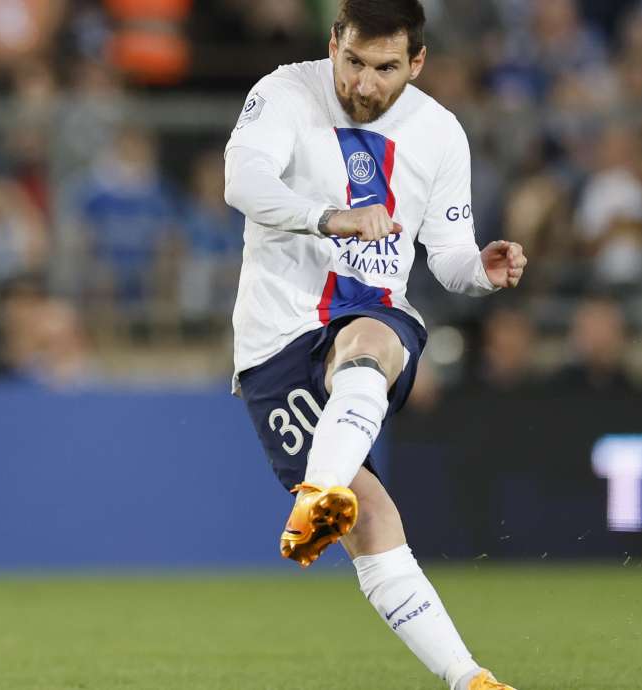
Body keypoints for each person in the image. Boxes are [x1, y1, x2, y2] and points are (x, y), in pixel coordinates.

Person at [223, 2, 527, 689]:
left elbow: (446, 255)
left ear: (416, 63)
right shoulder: (283, 92)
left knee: (372, 337)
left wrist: (479, 270)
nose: (363, 83)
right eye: (353, 61)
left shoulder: (439, 133)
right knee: (375, 519)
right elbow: (241, 182)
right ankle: (462, 671)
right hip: (274, 338)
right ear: (334, 42)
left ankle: (470, 680)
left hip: (372, 311)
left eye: (385, 68)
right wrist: (328, 218)